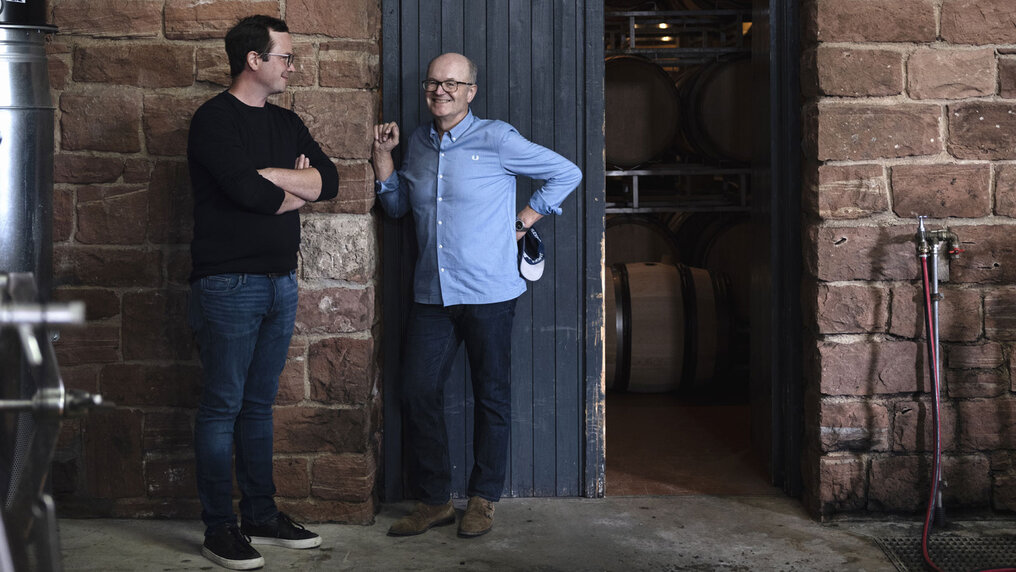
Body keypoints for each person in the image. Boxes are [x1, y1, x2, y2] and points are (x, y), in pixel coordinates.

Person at [371, 52, 582, 539]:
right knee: (417, 391)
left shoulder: (498, 138)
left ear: (471, 91)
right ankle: (436, 500)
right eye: (433, 82)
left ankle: (484, 499)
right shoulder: (419, 145)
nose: (440, 90)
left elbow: (566, 172)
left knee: (492, 398)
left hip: (489, 291)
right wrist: (384, 158)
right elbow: (398, 207)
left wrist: (524, 220)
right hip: (432, 293)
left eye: (452, 83)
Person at [186, 14, 339, 570]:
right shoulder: (212, 121)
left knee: (257, 406)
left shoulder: (287, 122)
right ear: (254, 60)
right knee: (222, 406)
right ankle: (218, 529)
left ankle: (260, 514)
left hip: (280, 281)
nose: (292, 66)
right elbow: (250, 198)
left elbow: (332, 181)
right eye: (285, 57)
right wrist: (294, 187)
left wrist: (273, 179)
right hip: (227, 283)